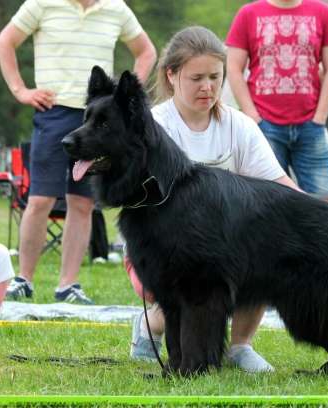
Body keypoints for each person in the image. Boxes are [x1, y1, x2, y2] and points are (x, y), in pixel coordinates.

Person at [127, 26, 299, 373]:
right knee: (191, 282)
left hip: (226, 247)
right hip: (164, 251)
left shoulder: (242, 126)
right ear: (171, 75)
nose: (207, 87)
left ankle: (240, 346)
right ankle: (150, 325)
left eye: (215, 77)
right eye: (196, 78)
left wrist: (325, 219)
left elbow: (279, 186)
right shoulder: (152, 127)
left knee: (265, 251)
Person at [0, 0, 156, 304]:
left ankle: (68, 285)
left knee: (82, 204)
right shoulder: (41, 3)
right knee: (40, 199)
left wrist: (127, 96)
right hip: (52, 112)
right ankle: (23, 279)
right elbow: (5, 43)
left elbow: (146, 51)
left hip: (98, 119)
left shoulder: (116, 8)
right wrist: (20, 90)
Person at [226, 0, 328, 207]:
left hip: (311, 125)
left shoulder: (322, 12)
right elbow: (234, 69)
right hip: (264, 125)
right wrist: (252, 117)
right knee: (265, 203)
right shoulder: (248, 13)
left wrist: (320, 117)